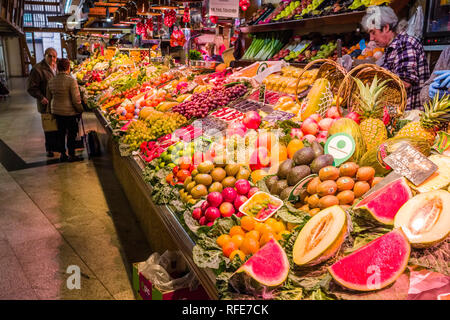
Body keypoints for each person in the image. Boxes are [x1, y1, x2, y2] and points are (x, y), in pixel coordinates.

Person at [361, 6, 430, 110]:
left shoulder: (405, 44)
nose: (371, 38)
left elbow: (405, 82)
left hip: (411, 115)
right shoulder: (391, 48)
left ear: (386, 28)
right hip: (400, 113)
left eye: (373, 32)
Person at [46, 58, 84, 162]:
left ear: (57, 68)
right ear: (68, 67)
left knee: (60, 133)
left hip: (57, 111)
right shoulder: (71, 81)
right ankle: (71, 155)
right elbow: (76, 99)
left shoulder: (51, 81)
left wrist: (50, 111)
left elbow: (49, 98)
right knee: (71, 134)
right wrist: (80, 109)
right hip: (69, 112)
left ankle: (63, 154)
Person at [27, 47, 58, 157]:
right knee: (49, 126)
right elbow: (31, 88)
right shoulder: (37, 69)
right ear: (45, 55)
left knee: (57, 125)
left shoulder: (56, 67)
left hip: (56, 103)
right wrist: (41, 98)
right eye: (50, 56)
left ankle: (57, 147)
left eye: (54, 56)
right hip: (45, 103)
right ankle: (49, 149)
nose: (52, 58)